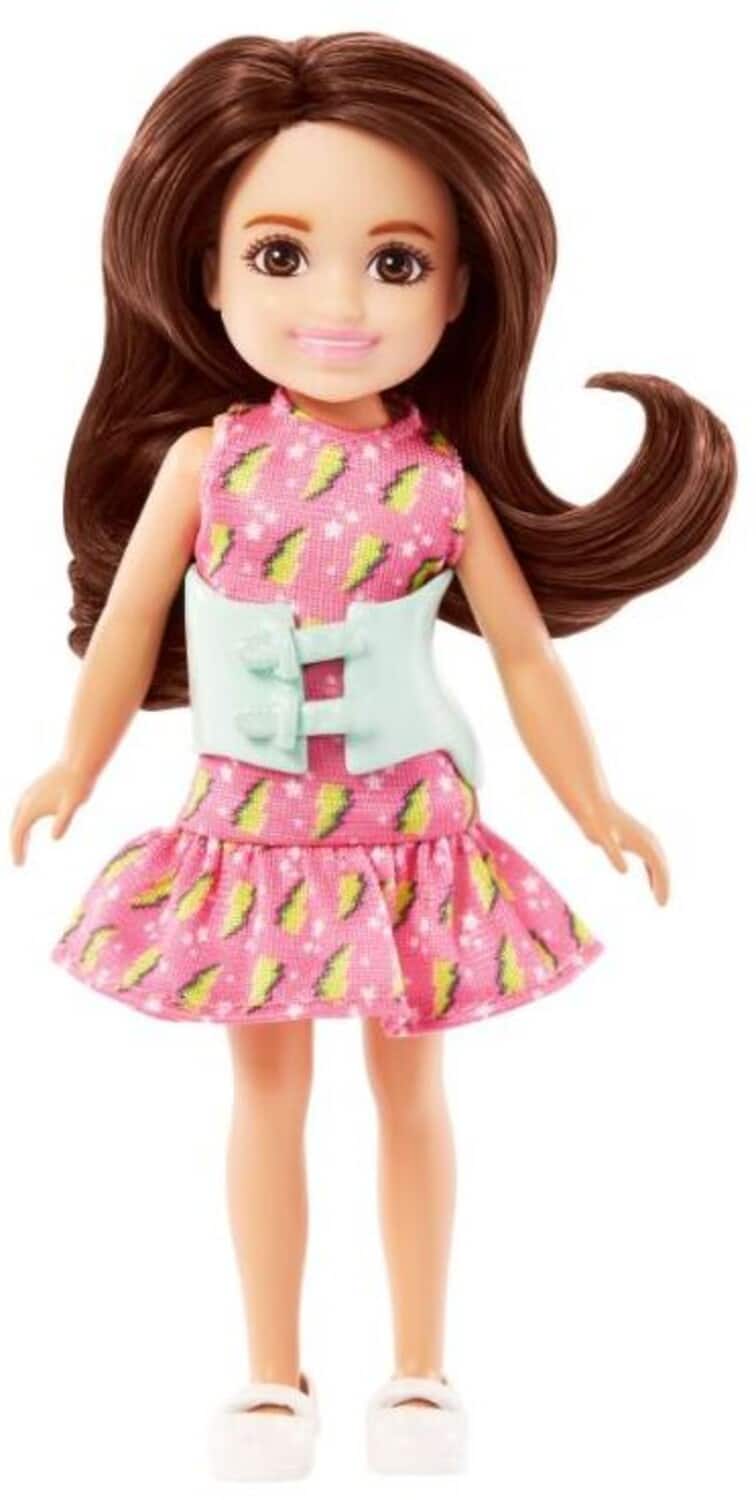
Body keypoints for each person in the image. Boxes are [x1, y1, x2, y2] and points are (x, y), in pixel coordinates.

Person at [8, 32, 735, 1481]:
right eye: (280, 256)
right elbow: (134, 618)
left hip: (408, 833)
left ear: (460, 292)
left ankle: (418, 1368)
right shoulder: (207, 463)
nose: (336, 306)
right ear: (208, 271)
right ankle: (271, 1373)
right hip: (249, 833)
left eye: (396, 264)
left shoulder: (441, 485)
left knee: (411, 1095)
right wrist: (71, 765)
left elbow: (523, 655)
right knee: (267, 1096)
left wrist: (595, 799)